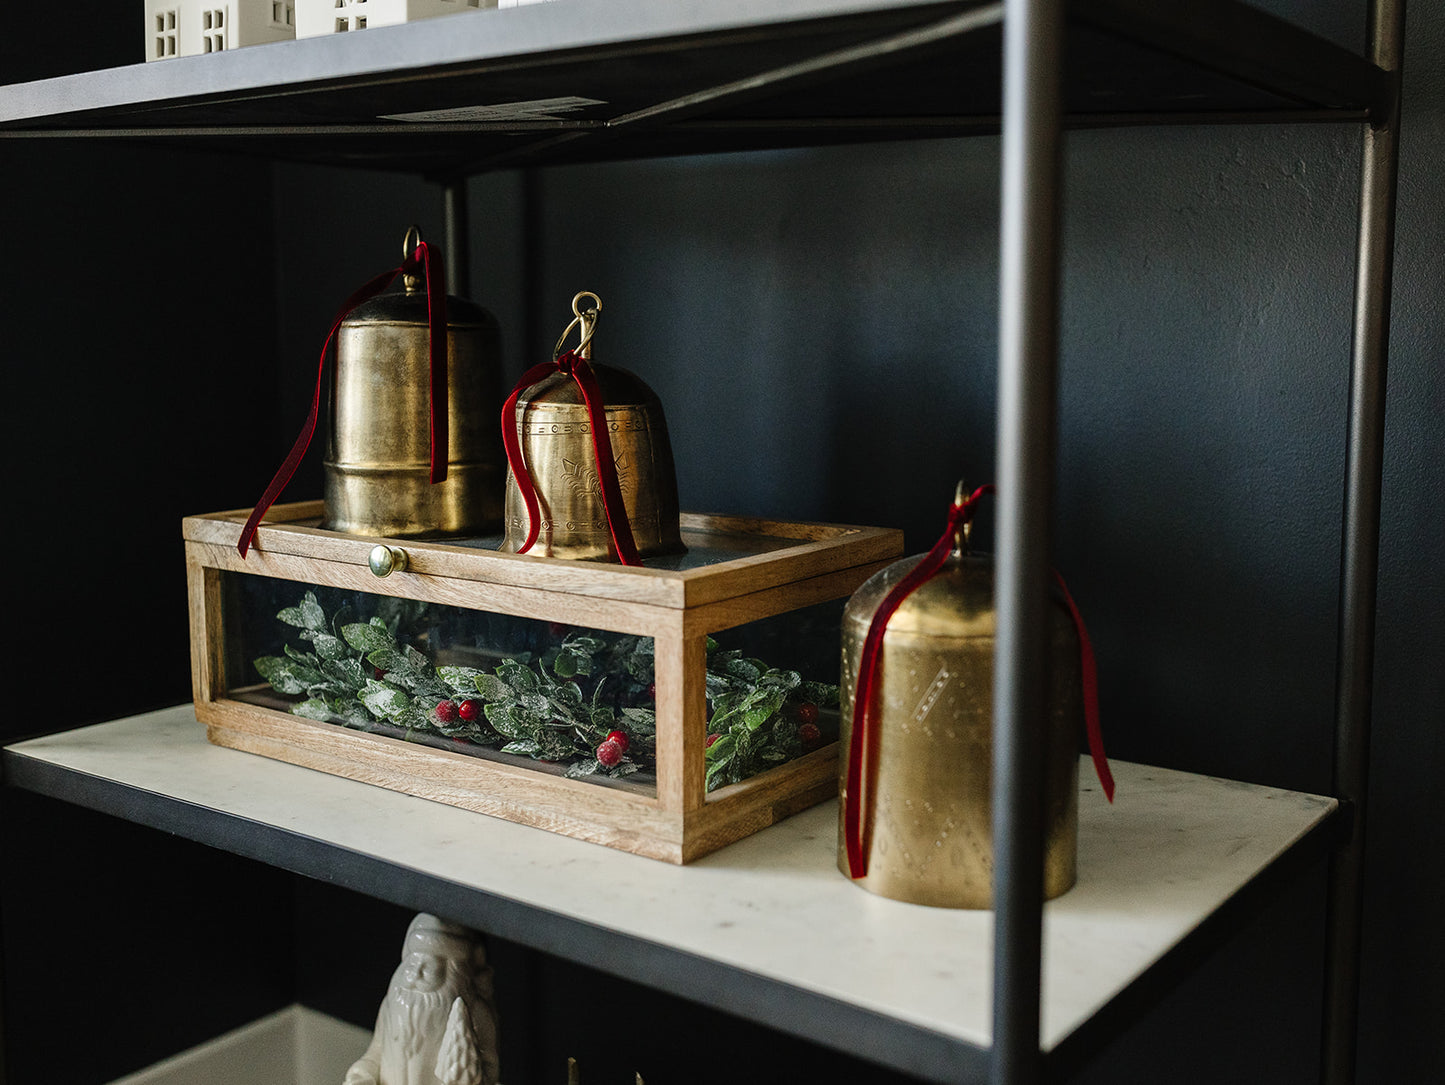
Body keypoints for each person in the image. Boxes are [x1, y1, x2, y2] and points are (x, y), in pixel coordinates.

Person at [345, 913, 500, 1085]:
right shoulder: (392, 1006)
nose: (415, 974)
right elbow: (375, 1055)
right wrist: (361, 1077)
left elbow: (490, 1066)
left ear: (452, 971)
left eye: (428, 967)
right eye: (412, 964)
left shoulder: (475, 1010)